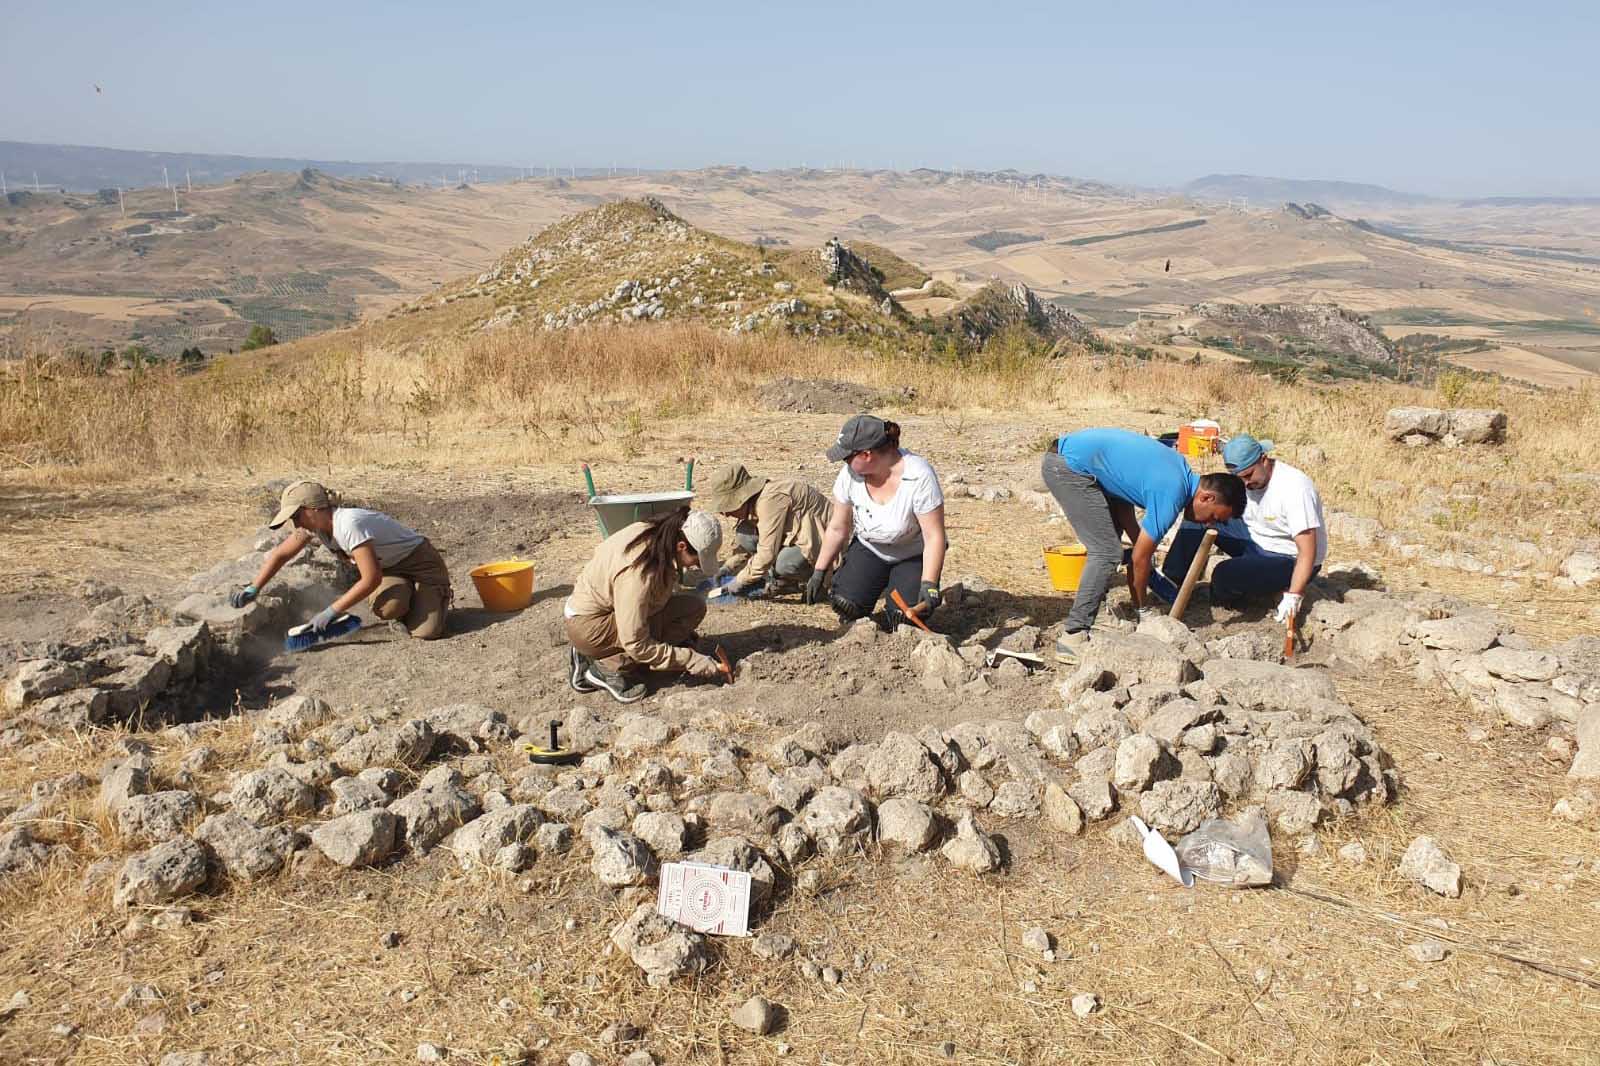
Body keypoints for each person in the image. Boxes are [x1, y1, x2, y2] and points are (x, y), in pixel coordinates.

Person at [1043, 428, 1245, 664]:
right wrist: (1143, 610)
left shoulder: (1179, 469)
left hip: (1077, 462)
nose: (1210, 523)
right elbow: (1138, 560)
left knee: (1111, 540)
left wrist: (1142, 549)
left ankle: (1098, 615)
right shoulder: (1173, 492)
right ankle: (1073, 636)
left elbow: (1122, 501)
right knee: (1107, 551)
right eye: (1214, 517)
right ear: (1207, 498)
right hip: (1068, 467)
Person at [231, 481, 452, 640]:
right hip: (390, 568)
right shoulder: (313, 527)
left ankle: (437, 593)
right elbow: (281, 554)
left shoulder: (349, 524)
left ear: (314, 509)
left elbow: (371, 579)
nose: (295, 524)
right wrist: (254, 588)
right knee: (388, 609)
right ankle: (410, 597)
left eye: (297, 516)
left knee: (426, 633)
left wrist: (330, 612)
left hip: (421, 564)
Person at [564, 508, 725, 703]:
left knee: (693, 609)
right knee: (644, 638)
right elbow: (636, 643)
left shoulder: (659, 533)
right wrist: (689, 659)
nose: (696, 566)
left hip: (605, 610)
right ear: (681, 546)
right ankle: (605, 667)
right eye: (696, 560)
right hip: (588, 625)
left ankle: (601, 651)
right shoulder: (639, 572)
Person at [1159, 434, 1325, 621]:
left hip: (1288, 559)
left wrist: (1294, 594)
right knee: (1199, 515)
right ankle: (1170, 583)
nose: (1245, 483)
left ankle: (1225, 597)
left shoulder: (1294, 489)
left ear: (1263, 459)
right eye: (1239, 478)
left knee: (1224, 574)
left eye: (1248, 475)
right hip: (1255, 541)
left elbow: (1308, 551)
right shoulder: (1246, 481)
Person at [803, 414, 948, 630]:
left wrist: (929, 584)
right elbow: (837, 527)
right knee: (845, 604)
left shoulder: (918, 476)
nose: (845, 463)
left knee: (903, 619)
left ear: (866, 454)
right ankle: (874, 584)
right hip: (871, 548)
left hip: (911, 554)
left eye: (847, 457)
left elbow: (934, 536)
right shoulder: (849, 475)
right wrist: (819, 571)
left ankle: (900, 586)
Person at [701, 462, 831, 597]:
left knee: (785, 563)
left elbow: (766, 554)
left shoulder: (769, 501)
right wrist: (728, 568)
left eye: (728, 507)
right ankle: (785, 580)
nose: (726, 514)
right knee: (745, 533)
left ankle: (815, 581)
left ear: (742, 499)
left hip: (824, 543)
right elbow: (748, 548)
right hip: (798, 535)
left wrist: (738, 583)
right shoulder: (757, 502)